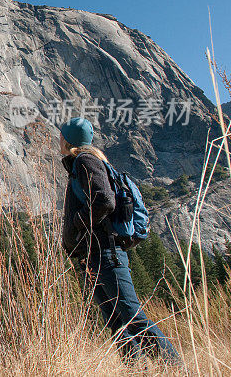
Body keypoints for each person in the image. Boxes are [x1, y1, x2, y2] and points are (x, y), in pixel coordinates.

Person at [59, 117, 182, 365]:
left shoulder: (85, 160)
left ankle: (173, 366)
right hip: (95, 254)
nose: (58, 140)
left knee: (130, 314)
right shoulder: (83, 162)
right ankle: (135, 369)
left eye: (61, 136)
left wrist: (77, 223)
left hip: (106, 252)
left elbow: (104, 200)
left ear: (68, 140)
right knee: (115, 320)